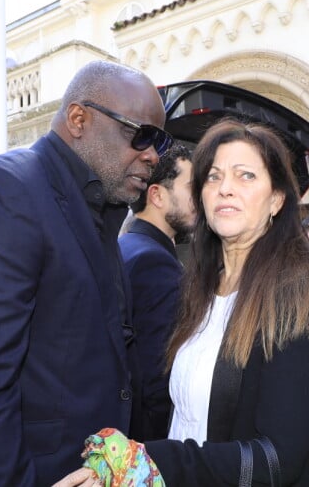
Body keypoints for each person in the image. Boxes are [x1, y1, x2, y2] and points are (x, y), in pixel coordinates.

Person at [54, 117, 309, 486]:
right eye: (213, 176)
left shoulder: (298, 292)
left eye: (246, 176)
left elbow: (276, 459)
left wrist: (155, 459)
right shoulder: (200, 287)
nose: (225, 188)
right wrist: (128, 470)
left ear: (276, 200)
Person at [0, 60, 173, 486]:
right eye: (140, 134)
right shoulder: (2, 193)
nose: (153, 155)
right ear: (78, 119)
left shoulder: (98, 213)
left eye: (159, 141)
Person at [119, 143, 196, 441]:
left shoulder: (126, 247)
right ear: (157, 195)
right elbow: (159, 378)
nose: (200, 199)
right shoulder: (154, 263)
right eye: (191, 187)